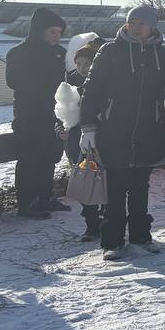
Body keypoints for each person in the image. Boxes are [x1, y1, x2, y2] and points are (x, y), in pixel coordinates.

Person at [79, 6, 165, 259]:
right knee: (115, 189)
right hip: (114, 130)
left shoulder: (162, 54)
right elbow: (91, 90)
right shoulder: (110, 51)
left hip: (148, 130)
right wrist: (87, 127)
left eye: (141, 24)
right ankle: (113, 242)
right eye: (132, 22)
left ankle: (141, 237)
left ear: (152, 27)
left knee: (140, 188)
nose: (136, 27)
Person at [5, 7, 67, 219]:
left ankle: (45, 197)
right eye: (52, 32)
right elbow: (13, 81)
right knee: (29, 159)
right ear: (39, 30)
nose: (57, 36)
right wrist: (43, 84)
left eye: (59, 32)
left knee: (49, 157)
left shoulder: (60, 53)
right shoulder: (19, 52)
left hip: (53, 114)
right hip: (29, 115)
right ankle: (26, 203)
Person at [62, 40, 104, 240]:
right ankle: (91, 223)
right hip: (76, 139)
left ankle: (107, 218)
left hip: (100, 136)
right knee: (85, 178)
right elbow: (60, 111)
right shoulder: (69, 82)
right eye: (78, 63)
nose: (82, 68)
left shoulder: (102, 81)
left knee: (103, 179)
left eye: (87, 63)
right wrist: (61, 127)